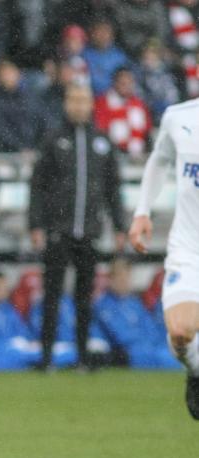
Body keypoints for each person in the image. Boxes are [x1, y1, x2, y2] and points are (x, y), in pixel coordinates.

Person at [29, 84, 125, 370]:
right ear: (66, 103)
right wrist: (36, 224)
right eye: (73, 100)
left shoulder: (101, 141)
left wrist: (120, 226)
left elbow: (112, 188)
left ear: (91, 104)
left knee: (85, 298)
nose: (78, 106)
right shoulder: (53, 139)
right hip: (58, 230)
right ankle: (47, 357)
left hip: (90, 231)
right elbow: (38, 186)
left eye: (83, 100)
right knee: (52, 296)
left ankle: (82, 357)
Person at [129, 95, 199, 417]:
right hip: (189, 248)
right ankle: (195, 369)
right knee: (181, 332)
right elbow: (159, 160)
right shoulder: (178, 117)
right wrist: (142, 211)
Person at [92, 258, 180, 369]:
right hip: (130, 352)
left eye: (127, 277)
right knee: (170, 359)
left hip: (150, 348)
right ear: (111, 279)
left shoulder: (135, 303)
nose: (125, 282)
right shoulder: (104, 305)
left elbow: (150, 328)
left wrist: (151, 343)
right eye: (121, 278)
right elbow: (120, 336)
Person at [0, 272, 42, 372]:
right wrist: (8, 346)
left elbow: (22, 332)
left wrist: (22, 342)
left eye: (1, 287)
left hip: (13, 350)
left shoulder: (8, 308)